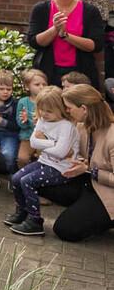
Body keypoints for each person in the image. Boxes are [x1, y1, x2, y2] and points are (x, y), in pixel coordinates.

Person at [5, 86, 79, 236]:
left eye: (49, 111)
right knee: (16, 178)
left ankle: (35, 221)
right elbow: (33, 143)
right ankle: (23, 211)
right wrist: (54, 144)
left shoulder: (66, 126)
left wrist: (44, 142)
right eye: (41, 110)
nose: (44, 114)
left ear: (60, 109)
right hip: (45, 162)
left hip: (62, 168)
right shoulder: (43, 120)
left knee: (27, 181)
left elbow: (61, 153)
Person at [53, 84, 114, 242]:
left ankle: (104, 217)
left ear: (84, 109)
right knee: (42, 181)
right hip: (90, 183)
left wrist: (90, 170)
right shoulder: (83, 126)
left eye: (69, 107)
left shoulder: (112, 137)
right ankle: (87, 211)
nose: (67, 111)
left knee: (64, 229)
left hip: (108, 192)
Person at [26, 0, 105, 87]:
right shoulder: (40, 9)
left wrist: (65, 36)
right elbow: (34, 42)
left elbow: (96, 45)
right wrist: (55, 28)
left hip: (81, 72)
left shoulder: (90, 11)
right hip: (49, 71)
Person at [15, 68, 48, 166]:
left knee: (43, 159)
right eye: (37, 85)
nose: (41, 87)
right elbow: (21, 124)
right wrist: (25, 121)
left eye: (44, 84)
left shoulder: (48, 101)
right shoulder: (23, 102)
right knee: (22, 158)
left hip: (44, 138)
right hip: (27, 137)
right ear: (27, 87)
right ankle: (22, 174)